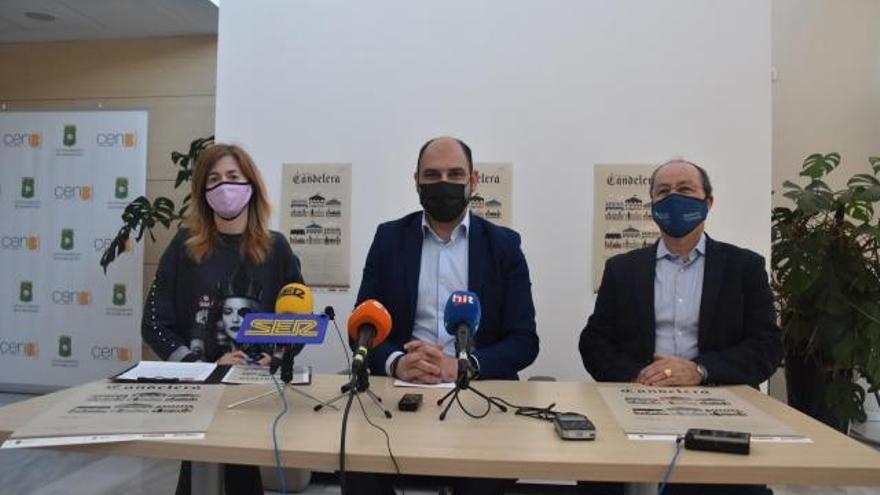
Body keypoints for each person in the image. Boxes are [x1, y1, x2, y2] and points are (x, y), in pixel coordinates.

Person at [578, 159, 783, 495]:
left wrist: (699, 370)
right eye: (663, 192)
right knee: (595, 477)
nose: (673, 198)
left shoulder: (744, 267)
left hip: (719, 404)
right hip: (638, 401)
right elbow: (594, 342)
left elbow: (767, 346)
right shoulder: (622, 270)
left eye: (685, 189)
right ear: (653, 206)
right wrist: (642, 375)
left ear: (708, 202)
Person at [350, 136, 540, 494]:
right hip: (399, 390)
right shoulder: (389, 239)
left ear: (474, 181)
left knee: (479, 481)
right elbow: (363, 325)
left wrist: (461, 366)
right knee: (358, 468)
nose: (444, 183)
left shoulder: (504, 245)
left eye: (455, 174)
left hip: (476, 392)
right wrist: (395, 362)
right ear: (417, 182)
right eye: (432, 175)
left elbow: (524, 341)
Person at [142, 143, 304, 495]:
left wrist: (275, 356)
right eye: (213, 179)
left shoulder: (277, 249)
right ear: (203, 192)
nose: (224, 187)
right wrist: (204, 367)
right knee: (199, 480)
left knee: (243, 479)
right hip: (200, 394)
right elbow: (154, 322)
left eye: (233, 177)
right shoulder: (185, 246)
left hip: (253, 394)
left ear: (252, 185)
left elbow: (298, 323)